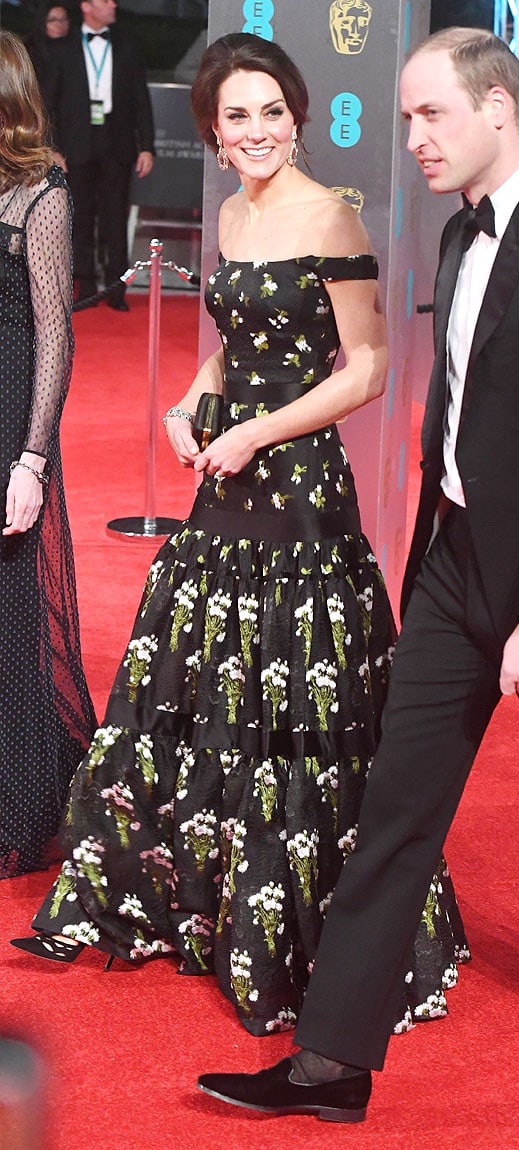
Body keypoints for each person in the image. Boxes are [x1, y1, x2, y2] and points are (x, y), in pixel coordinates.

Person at [193, 27, 519, 1122]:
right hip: (457, 571)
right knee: (398, 806)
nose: (409, 137)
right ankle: (330, 1065)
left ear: (499, 107)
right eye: (408, 117)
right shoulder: (463, 239)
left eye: (430, 115)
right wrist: (440, 570)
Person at [11, 31, 468, 1037]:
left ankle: (300, 925)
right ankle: (169, 893)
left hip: (299, 493)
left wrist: (256, 430)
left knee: (289, 700)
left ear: (296, 117)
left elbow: (368, 366)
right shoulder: (232, 213)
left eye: (271, 112)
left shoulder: (329, 215)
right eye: (236, 117)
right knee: (199, 682)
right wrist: (188, 403)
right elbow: (233, 345)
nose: (256, 132)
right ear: (212, 134)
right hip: (225, 483)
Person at [0, 31, 96, 880]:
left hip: (6, 419)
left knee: (9, 612)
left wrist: (32, 460)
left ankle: (21, 799)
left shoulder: (42, 193)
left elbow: (55, 336)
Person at [38, 0, 155, 311]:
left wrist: (147, 146)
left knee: (116, 218)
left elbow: (141, 99)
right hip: (76, 145)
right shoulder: (62, 49)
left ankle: (117, 289)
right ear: (87, 6)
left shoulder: (128, 46)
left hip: (117, 144)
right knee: (80, 218)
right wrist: (53, 149)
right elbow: (49, 103)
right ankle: (85, 286)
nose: (113, 5)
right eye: (105, 0)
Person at [24, 3, 72, 84]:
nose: (59, 25)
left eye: (64, 19)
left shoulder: (76, 49)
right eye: (52, 20)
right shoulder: (30, 51)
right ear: (42, 22)